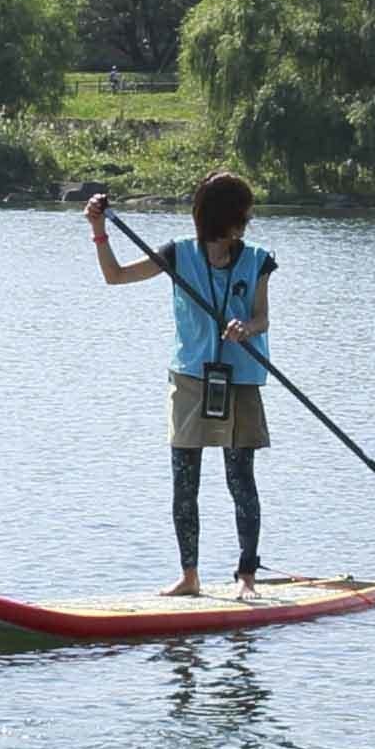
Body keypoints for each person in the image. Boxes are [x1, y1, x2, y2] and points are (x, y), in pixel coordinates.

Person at [86, 173, 275, 595]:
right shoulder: (178, 254)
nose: (248, 220)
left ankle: (247, 578)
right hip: (191, 379)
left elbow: (263, 316)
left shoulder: (258, 259)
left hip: (241, 380)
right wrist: (99, 231)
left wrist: (247, 327)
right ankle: (189, 577)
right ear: (228, 218)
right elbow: (115, 276)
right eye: (244, 212)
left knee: (240, 479)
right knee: (185, 481)